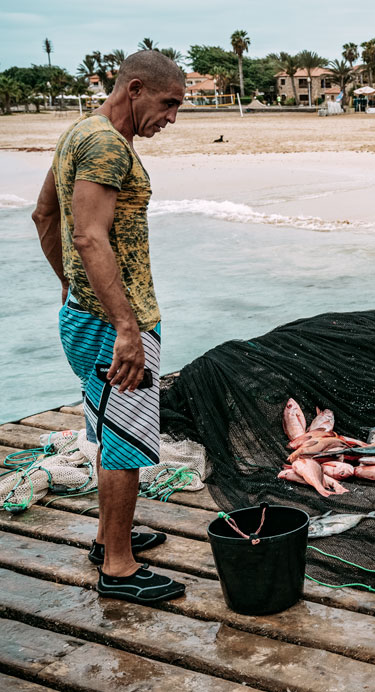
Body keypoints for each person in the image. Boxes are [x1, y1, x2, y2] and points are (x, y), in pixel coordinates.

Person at [31, 50, 186, 604]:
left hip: (88, 315)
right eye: (168, 104)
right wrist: (124, 324)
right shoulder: (105, 144)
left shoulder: (78, 133)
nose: (172, 118)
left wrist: (69, 286)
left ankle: (107, 538)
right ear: (136, 88)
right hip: (116, 323)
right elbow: (90, 237)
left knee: (106, 430)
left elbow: (45, 215)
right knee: (127, 441)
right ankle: (118, 569)